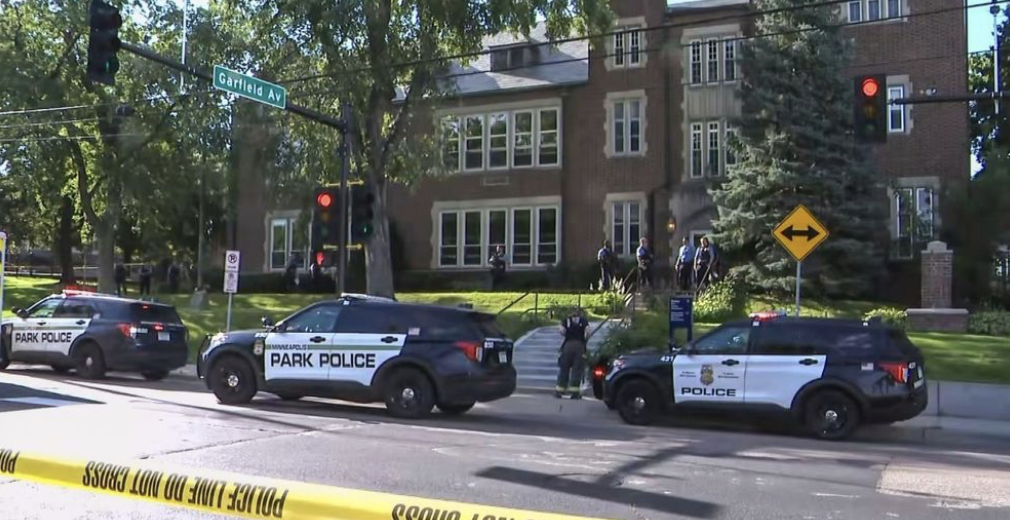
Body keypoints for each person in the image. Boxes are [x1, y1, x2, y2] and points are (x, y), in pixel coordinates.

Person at [555, 308, 590, 399]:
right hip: (579, 347)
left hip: (567, 346)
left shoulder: (565, 321)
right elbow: (587, 332)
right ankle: (574, 393)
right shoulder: (584, 321)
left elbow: (561, 331)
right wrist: (584, 339)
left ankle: (560, 391)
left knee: (564, 368)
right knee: (577, 370)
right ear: (580, 314)